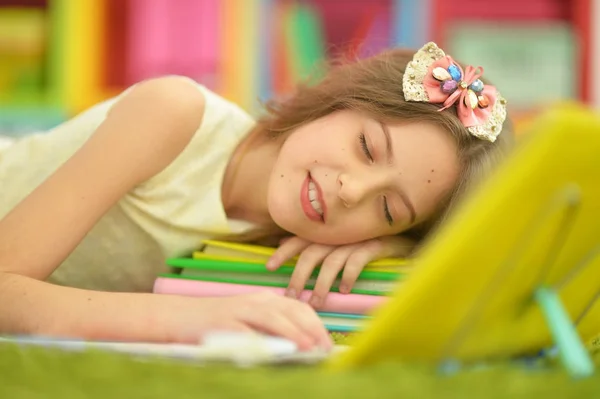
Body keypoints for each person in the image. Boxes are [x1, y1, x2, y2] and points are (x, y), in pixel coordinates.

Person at [0, 42, 513, 349]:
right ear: (335, 100)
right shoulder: (174, 114)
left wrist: (395, 246)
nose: (351, 192)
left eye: (387, 209)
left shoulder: (302, 236)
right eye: (365, 147)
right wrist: (187, 319)